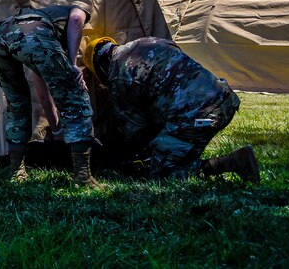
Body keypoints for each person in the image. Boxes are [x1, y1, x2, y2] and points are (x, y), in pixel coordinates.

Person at [84, 36, 260, 182]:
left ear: (100, 67)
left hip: (196, 114)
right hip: (223, 98)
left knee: (163, 174)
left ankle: (235, 162)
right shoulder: (150, 41)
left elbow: (133, 130)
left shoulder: (119, 76)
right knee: (172, 149)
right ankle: (180, 153)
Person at [0, 3, 98, 186]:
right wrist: (72, 64)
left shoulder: (42, 35)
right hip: (31, 35)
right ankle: (83, 177)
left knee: (17, 103)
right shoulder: (77, 9)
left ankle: (16, 173)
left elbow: (44, 96)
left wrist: (57, 130)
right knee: (76, 98)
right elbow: (77, 19)